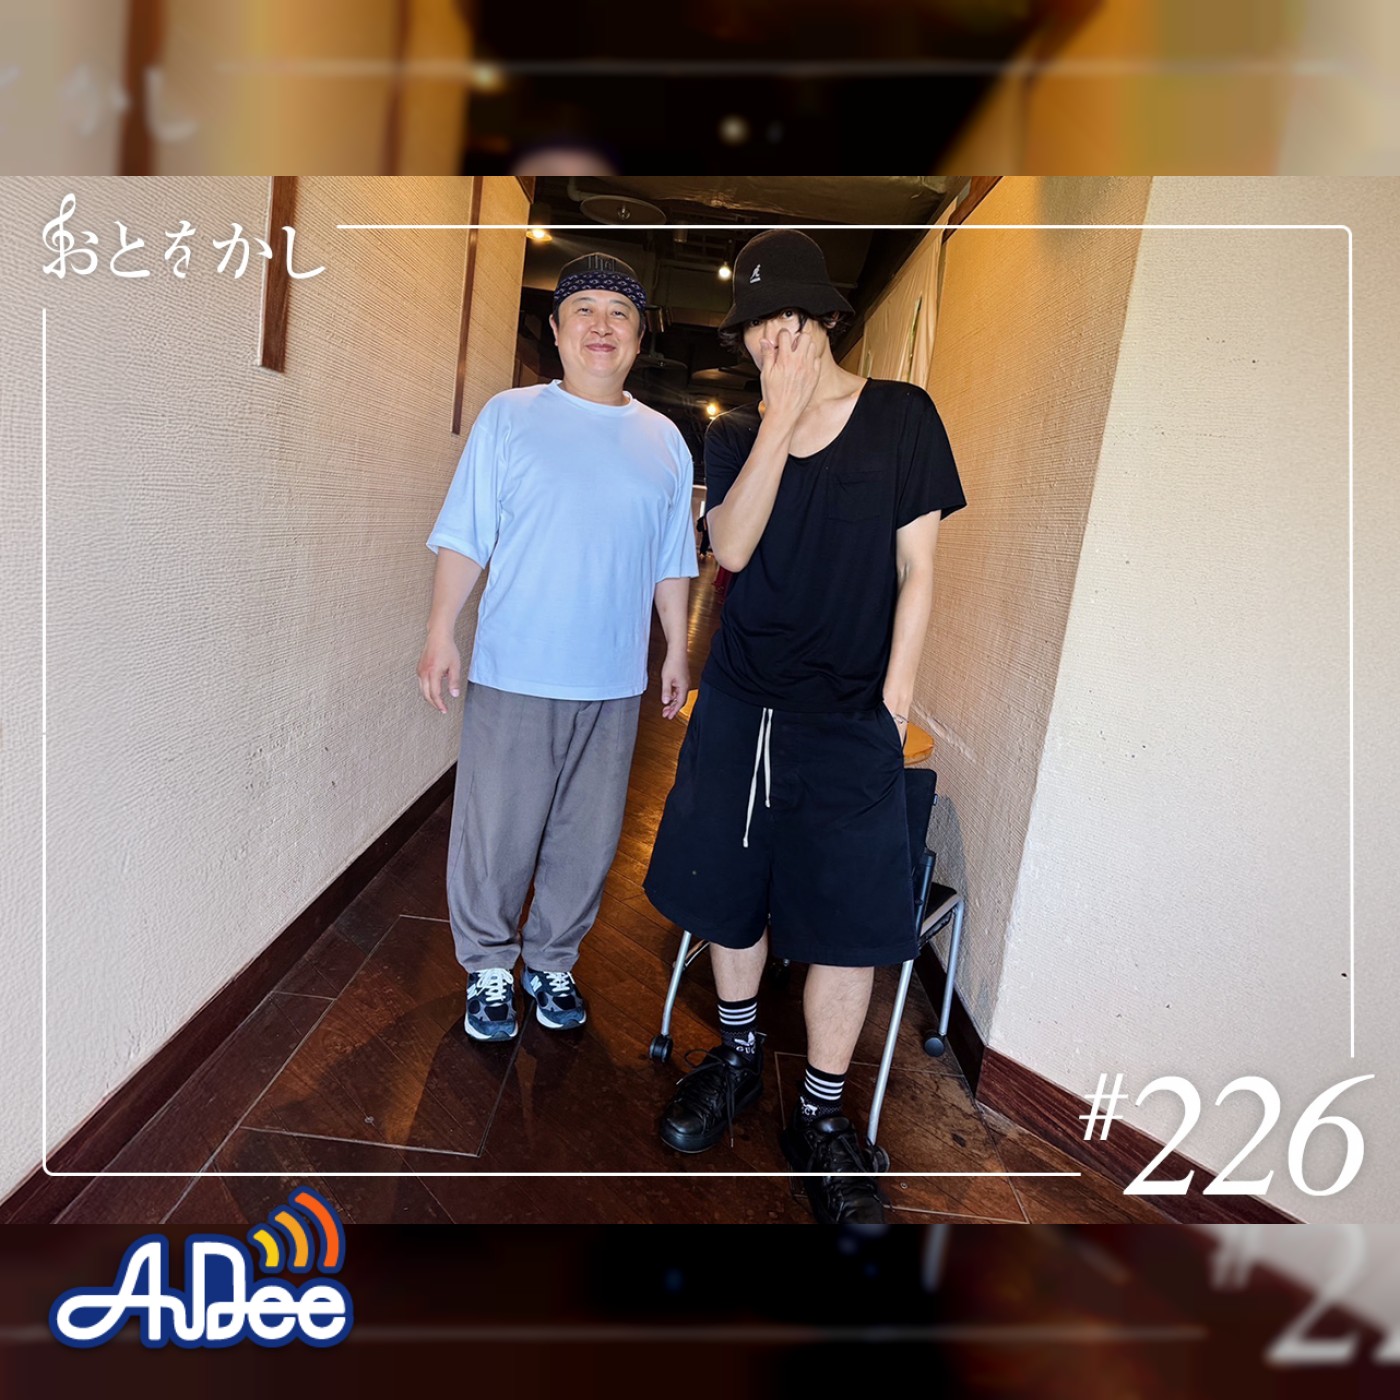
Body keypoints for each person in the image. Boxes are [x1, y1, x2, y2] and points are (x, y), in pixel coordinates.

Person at [643, 229, 966, 1224]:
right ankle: (739, 1054)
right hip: (743, 702)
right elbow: (732, 547)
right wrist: (779, 420)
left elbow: (918, 568)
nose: (767, 340)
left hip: (851, 715)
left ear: (824, 314)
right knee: (729, 895)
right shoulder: (740, 431)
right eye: (751, 327)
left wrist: (895, 698)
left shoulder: (903, 417)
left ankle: (822, 1116)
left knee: (846, 923)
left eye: (784, 317)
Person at [418, 252, 696, 1042]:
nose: (601, 326)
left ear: (638, 337)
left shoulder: (665, 441)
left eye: (620, 313)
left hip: (613, 679)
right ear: (557, 327)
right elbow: (467, 534)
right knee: (496, 830)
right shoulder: (511, 416)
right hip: (517, 669)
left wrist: (676, 649)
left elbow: (672, 558)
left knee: (589, 836)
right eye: (585, 310)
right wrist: (441, 629)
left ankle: (552, 960)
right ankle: (488, 967)